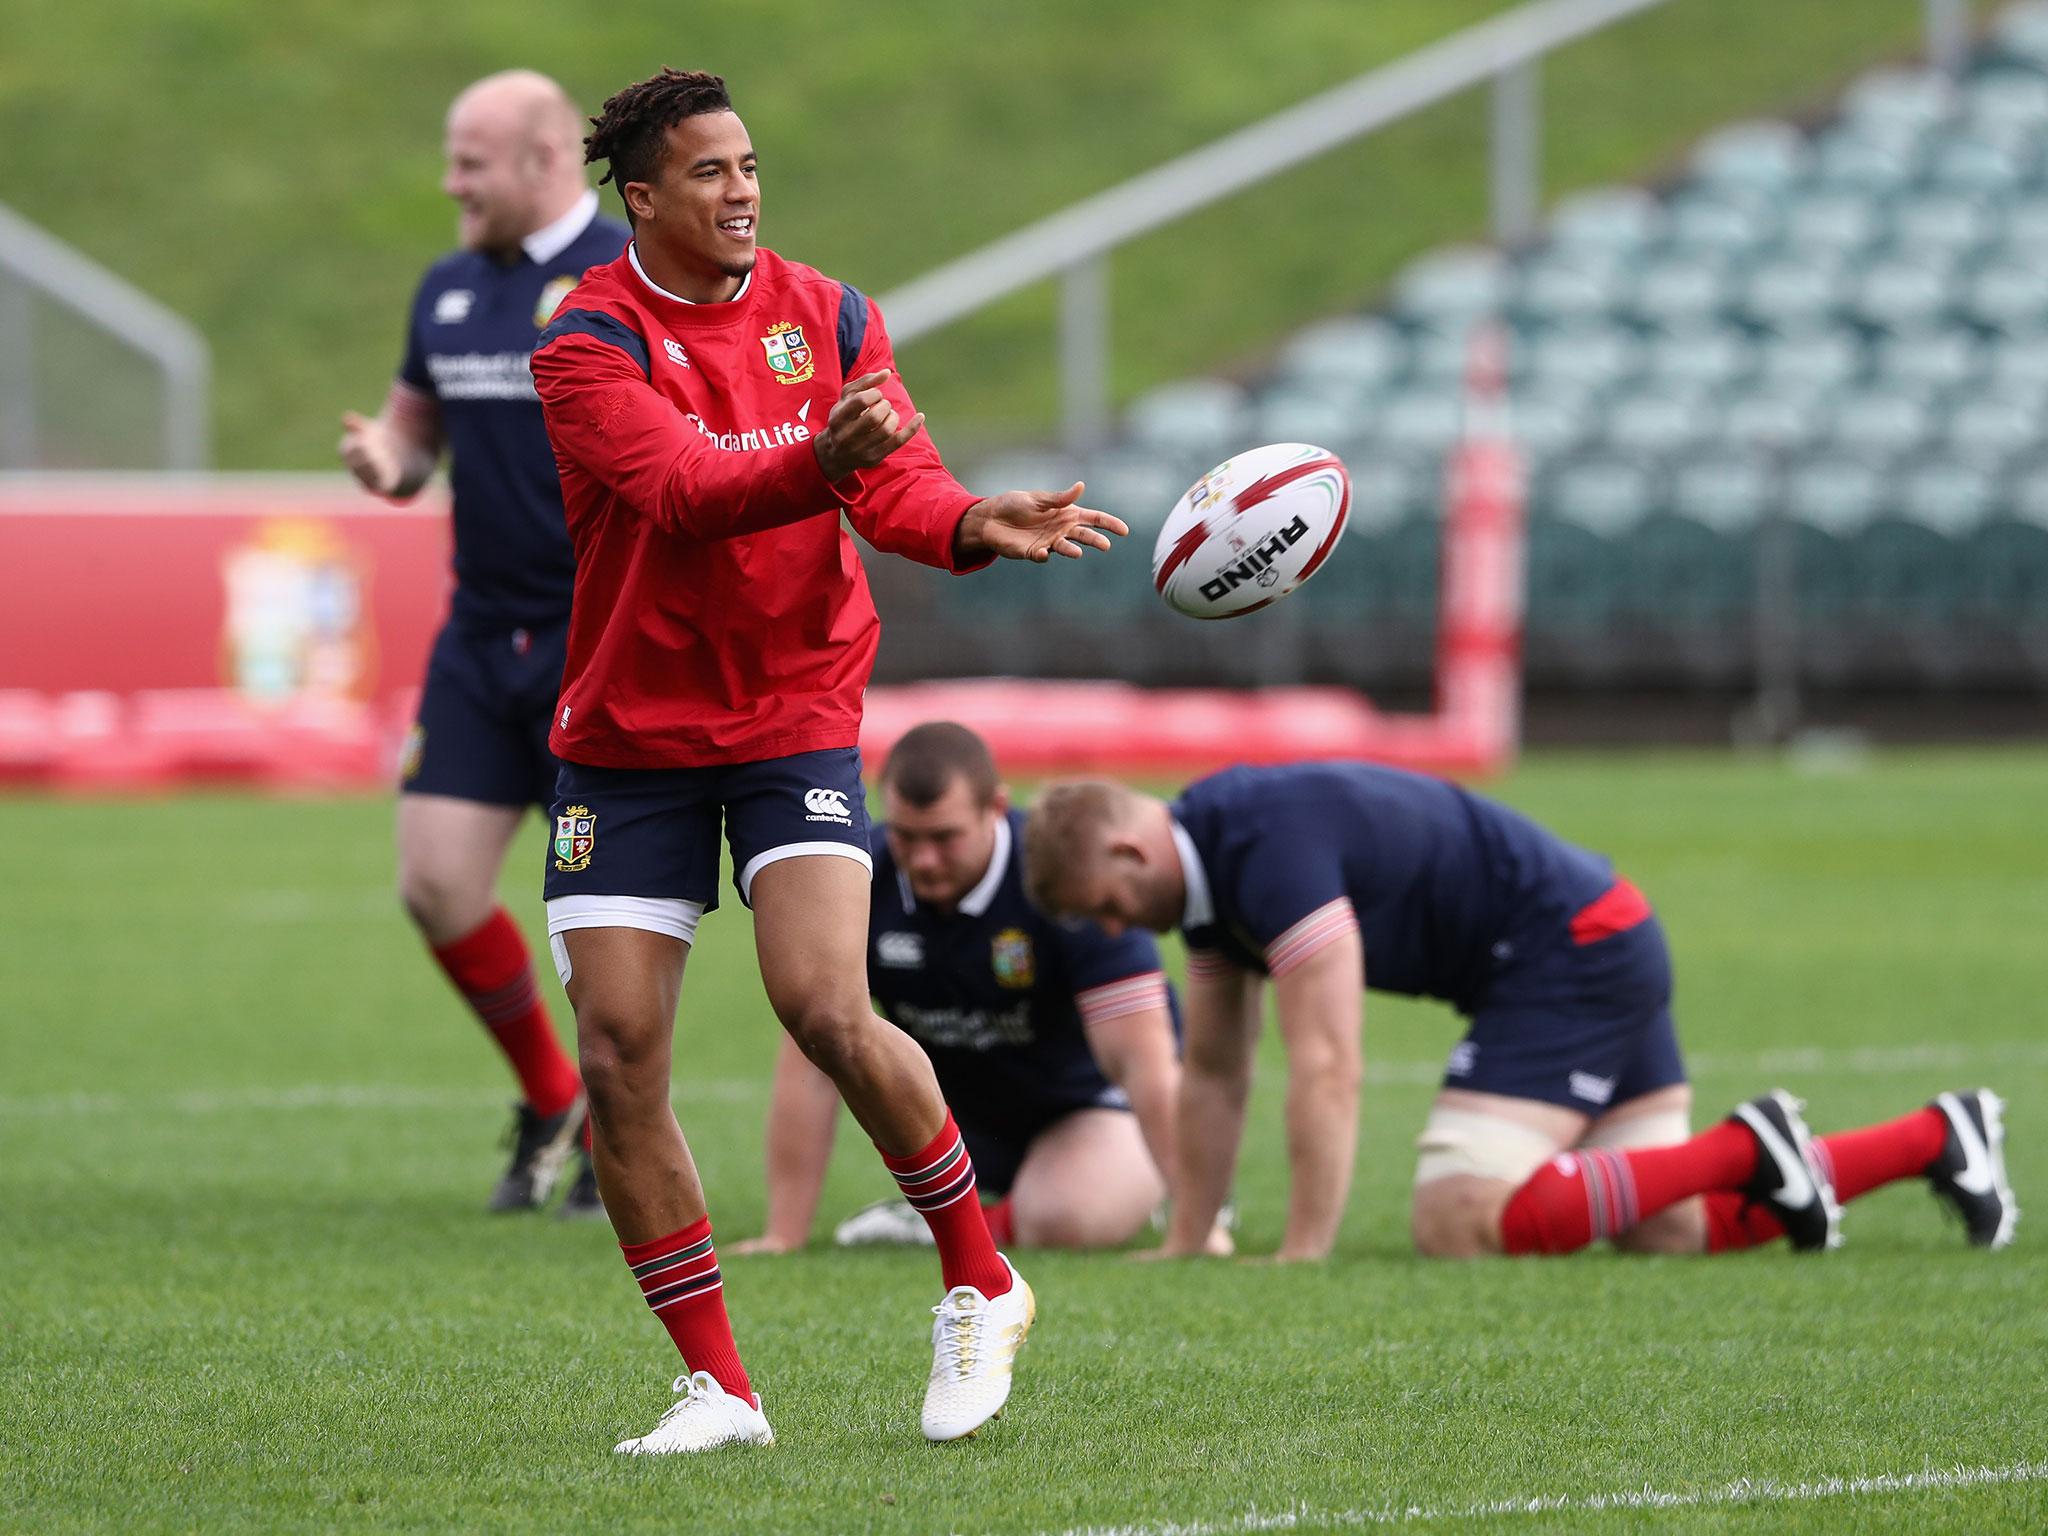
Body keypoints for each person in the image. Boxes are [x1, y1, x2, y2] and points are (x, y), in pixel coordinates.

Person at [528, 69, 1129, 1455]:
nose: (741, 190)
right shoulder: (585, 342)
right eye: (707, 173)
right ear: (642, 199)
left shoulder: (833, 313)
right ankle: (719, 1391)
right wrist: (823, 461)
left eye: (749, 166)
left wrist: (976, 520)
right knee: (619, 1058)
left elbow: (896, 484)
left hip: (791, 706)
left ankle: (981, 1282)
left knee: (823, 1004)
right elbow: (684, 493)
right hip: (625, 738)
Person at [1023, 763, 2018, 1264]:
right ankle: (1935, 1137)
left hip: (1567, 950)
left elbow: (1325, 1059)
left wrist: (1301, 1251)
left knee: (1455, 1218)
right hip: (1595, 934)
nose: (1112, 929)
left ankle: (1749, 1147)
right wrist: (1189, 1238)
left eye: (1101, 908)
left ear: (1128, 857)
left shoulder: (1261, 849)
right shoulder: (1208, 870)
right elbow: (1215, 1070)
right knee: (1662, 1229)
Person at [338, 70, 629, 1216]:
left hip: (596, 636)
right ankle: (554, 1093)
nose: (450, 182)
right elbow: (415, 431)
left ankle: (620, 1127)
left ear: (546, 159)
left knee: (596, 913)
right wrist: (387, 463)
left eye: (471, 162)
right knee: (435, 883)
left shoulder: (623, 275)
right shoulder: (448, 288)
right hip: (478, 633)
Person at [732, 722, 1229, 1258]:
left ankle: (959, 1220)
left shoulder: (1062, 876)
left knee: (1069, 1217)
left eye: (945, 838)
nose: (923, 860)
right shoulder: (861, 878)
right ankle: (962, 1206)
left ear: (995, 808)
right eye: (906, 835)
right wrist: (784, 1234)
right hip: (962, 1129)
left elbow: (1145, 1061)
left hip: (1090, 1111)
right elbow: (813, 1057)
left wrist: (1200, 1227)